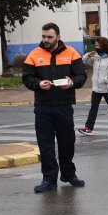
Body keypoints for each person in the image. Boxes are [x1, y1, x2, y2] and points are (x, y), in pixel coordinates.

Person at [22, 23, 87, 193]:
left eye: (49, 37)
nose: (45, 40)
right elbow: (26, 77)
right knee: (46, 144)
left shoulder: (71, 53)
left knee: (67, 142)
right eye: (43, 36)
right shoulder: (34, 54)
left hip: (64, 105)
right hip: (43, 107)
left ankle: (68, 174)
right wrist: (37, 84)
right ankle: (49, 179)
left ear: (58, 37)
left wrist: (72, 83)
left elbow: (81, 75)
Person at [78, 37, 108, 135]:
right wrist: (88, 55)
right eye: (95, 45)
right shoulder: (96, 57)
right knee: (93, 108)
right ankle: (88, 128)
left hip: (107, 88)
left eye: (98, 45)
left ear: (103, 46)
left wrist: (106, 80)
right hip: (96, 88)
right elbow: (84, 60)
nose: (96, 47)